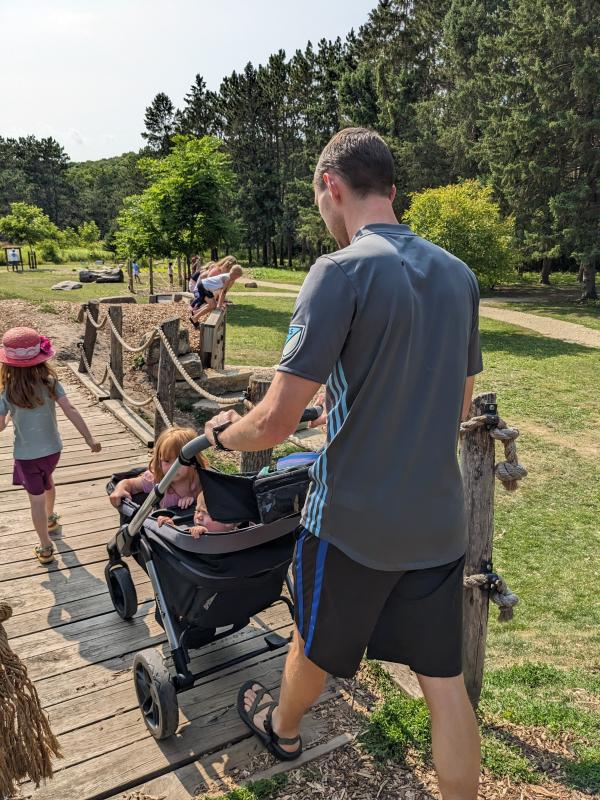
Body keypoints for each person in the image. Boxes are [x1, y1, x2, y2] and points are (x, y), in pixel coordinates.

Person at [204, 127, 483, 799]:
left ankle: (284, 727)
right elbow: (455, 406)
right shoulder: (459, 275)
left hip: (353, 523)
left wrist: (222, 435)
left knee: (312, 639)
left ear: (332, 187)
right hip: (440, 523)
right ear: (391, 189)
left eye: (320, 202)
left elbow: (270, 421)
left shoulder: (340, 271)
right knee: (443, 684)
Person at [0, 327, 102, 564]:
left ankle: (46, 547)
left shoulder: (7, 392)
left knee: (35, 499)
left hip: (26, 455)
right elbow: (70, 409)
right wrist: (89, 438)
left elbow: (1, 426)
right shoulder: (50, 382)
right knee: (48, 480)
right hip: (53, 450)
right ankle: (50, 518)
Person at [109, 426, 204, 510]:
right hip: (163, 525)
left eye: (179, 462)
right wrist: (120, 489)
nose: (173, 467)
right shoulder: (157, 479)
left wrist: (196, 502)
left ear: (193, 460)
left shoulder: (201, 480)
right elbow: (130, 483)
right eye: (166, 461)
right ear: (159, 460)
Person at [156, 491, 236, 538]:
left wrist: (206, 537)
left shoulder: (238, 539)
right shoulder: (194, 530)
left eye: (206, 513)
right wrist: (171, 527)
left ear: (227, 521)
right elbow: (182, 541)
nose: (198, 516)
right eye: (197, 511)